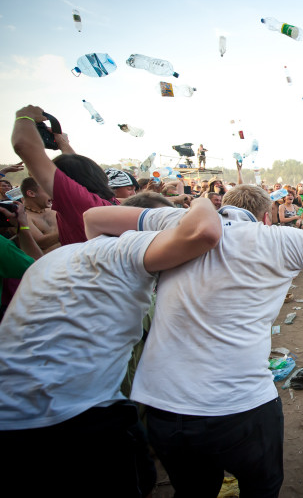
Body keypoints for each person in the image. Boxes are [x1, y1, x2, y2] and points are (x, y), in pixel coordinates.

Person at [86, 183, 303, 497]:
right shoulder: (276, 238)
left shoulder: (177, 224)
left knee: (193, 492)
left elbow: (95, 218)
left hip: (165, 407)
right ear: (266, 216)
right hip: (241, 404)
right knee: (261, 489)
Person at [0, 197, 221, 497]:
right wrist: (200, 203)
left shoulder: (63, 256)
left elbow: (92, 217)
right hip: (72, 420)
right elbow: (204, 232)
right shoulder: (125, 248)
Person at [12, 105, 119, 245]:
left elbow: (24, 146)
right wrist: (62, 143)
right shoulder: (107, 201)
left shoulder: (82, 202)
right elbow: (79, 169)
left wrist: (24, 115)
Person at [20, 176, 60, 253]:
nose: (52, 194)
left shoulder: (54, 209)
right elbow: (41, 243)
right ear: (31, 193)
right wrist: (69, 229)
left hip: (70, 256)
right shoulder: (24, 217)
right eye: (47, 190)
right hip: (50, 262)